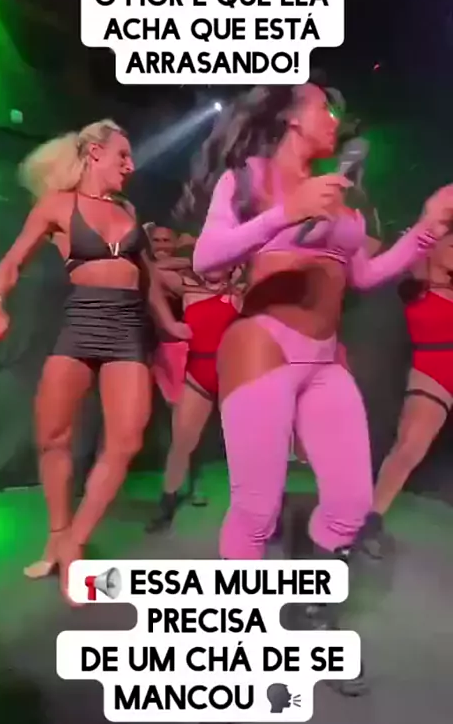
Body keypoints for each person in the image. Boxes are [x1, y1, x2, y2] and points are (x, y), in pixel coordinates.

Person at [182, 82, 453, 581]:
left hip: (324, 358)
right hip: (262, 346)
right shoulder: (249, 177)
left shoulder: (337, 193)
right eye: (324, 109)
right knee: (256, 511)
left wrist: (426, 228)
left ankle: (311, 596)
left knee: (351, 505)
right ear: (291, 117)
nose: (334, 120)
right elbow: (206, 257)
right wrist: (286, 213)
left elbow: (364, 275)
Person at [0, 119, 190, 600]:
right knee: (53, 437)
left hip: (127, 329)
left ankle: (75, 542)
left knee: (126, 439)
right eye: (122, 156)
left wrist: (169, 324)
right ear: (94, 153)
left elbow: (147, 276)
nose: (130, 166)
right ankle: (57, 534)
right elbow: (12, 261)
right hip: (80, 325)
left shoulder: (128, 209)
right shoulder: (58, 205)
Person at [148, 266, 243, 531]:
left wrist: (240, 268)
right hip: (197, 373)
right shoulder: (187, 288)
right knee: (181, 444)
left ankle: (263, 508)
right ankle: (166, 506)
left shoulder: (239, 292)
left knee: (248, 445)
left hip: (232, 374)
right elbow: (151, 274)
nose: (214, 267)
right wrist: (169, 322)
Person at [371, 233, 453, 527]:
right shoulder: (416, 276)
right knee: (409, 448)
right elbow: (368, 246)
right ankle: (369, 521)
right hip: (433, 370)